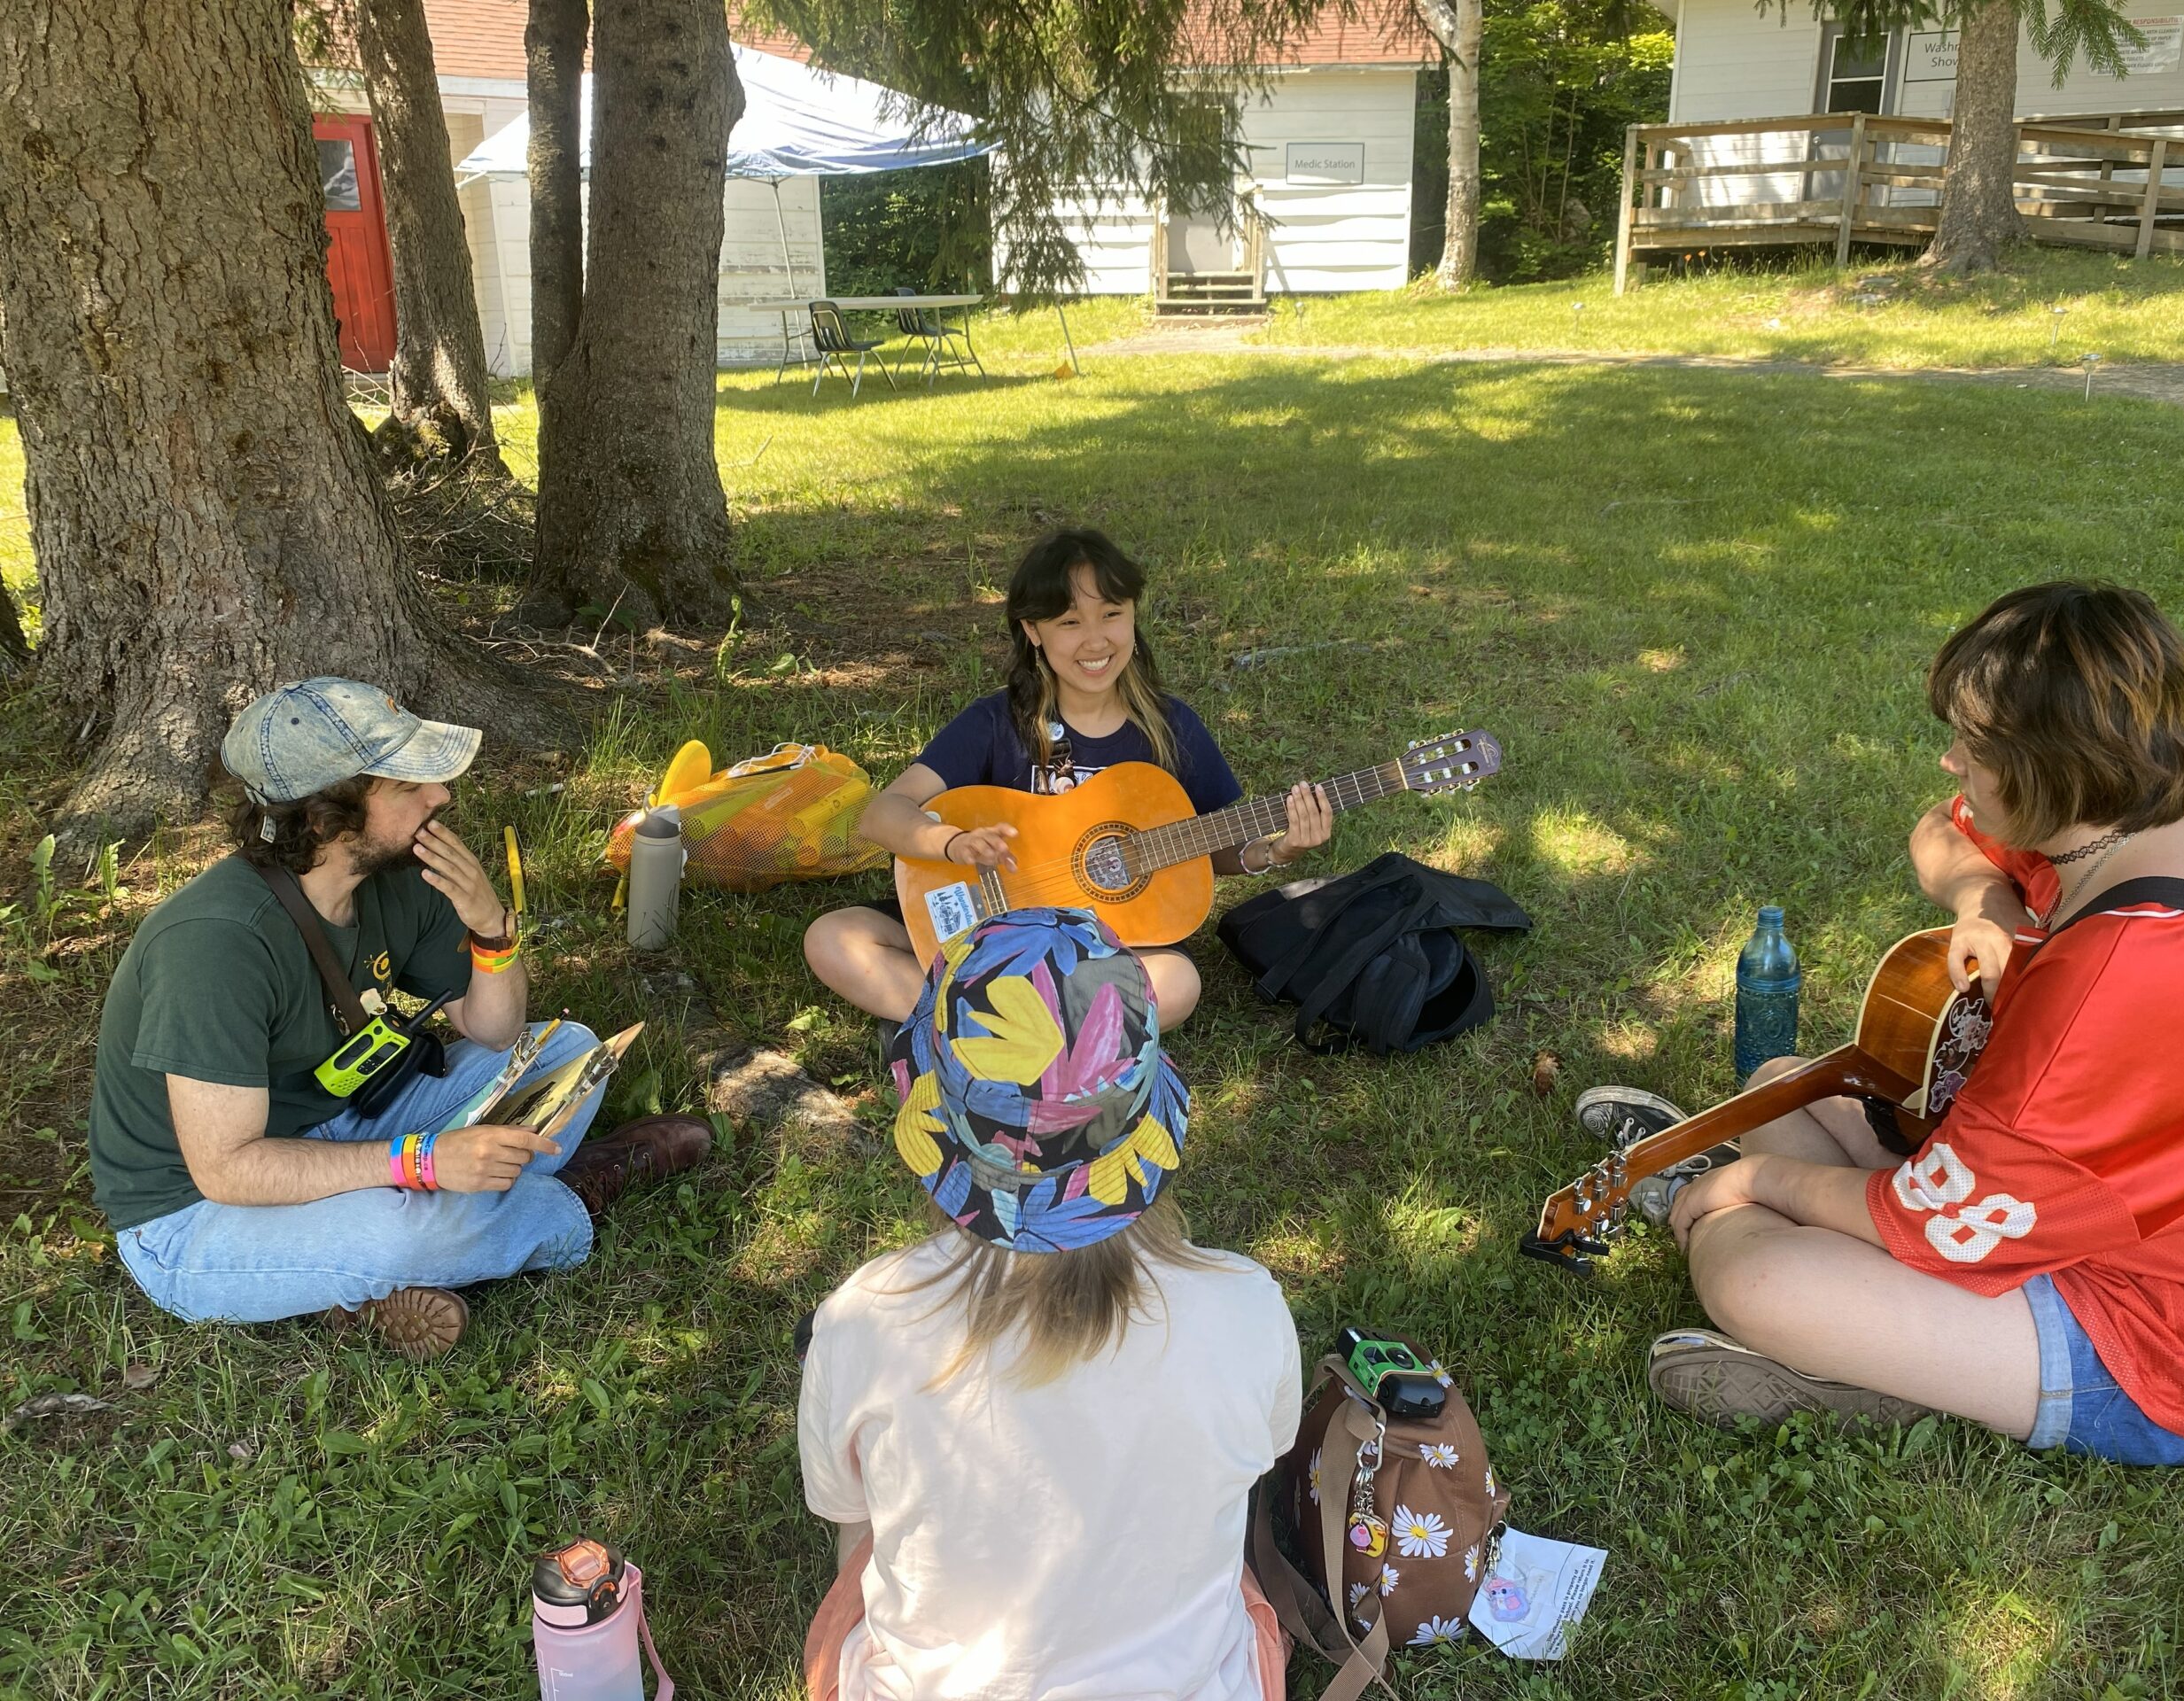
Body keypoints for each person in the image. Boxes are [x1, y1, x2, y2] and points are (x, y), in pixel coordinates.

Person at [1580, 583, 2184, 1464]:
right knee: (1773, 1090)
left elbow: (1930, 1225)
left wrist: (1751, 1193)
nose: (1950, 763)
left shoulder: (2102, 996)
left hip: (2175, 1338)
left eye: (1973, 747)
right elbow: (1938, 832)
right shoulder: (2147, 827)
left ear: (2056, 768)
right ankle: (1887, 1350)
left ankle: (1834, 1336)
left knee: (1750, 1271)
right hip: (2077, 1214)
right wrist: (1983, 897)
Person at [89, 679, 711, 1360]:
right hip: (196, 1216)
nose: (438, 794)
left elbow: (496, 1030)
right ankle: (572, 1196)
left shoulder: (399, 875)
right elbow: (229, 1171)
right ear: (327, 820)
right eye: (405, 783)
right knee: (406, 1231)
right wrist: (421, 1161)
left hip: (336, 1121)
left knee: (568, 1052)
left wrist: (490, 930)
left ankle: (362, 1281)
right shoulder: (213, 944)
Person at [798, 908, 1303, 1699]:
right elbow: (1261, 1463)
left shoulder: (865, 1319)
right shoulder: (1247, 1305)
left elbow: (849, 1514)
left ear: (936, 1119)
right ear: (1143, 1113)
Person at [803, 528, 1333, 1031]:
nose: (1096, 640)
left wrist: (1275, 852)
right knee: (834, 937)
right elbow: (880, 814)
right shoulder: (997, 722)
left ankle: (968, 1025)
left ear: (1132, 617)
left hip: (1099, 952)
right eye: (1069, 622)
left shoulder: (1171, 728)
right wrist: (952, 841)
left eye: (1111, 614)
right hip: (983, 925)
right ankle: (1030, 1035)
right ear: (1033, 630)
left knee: (1177, 985)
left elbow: (1213, 842)